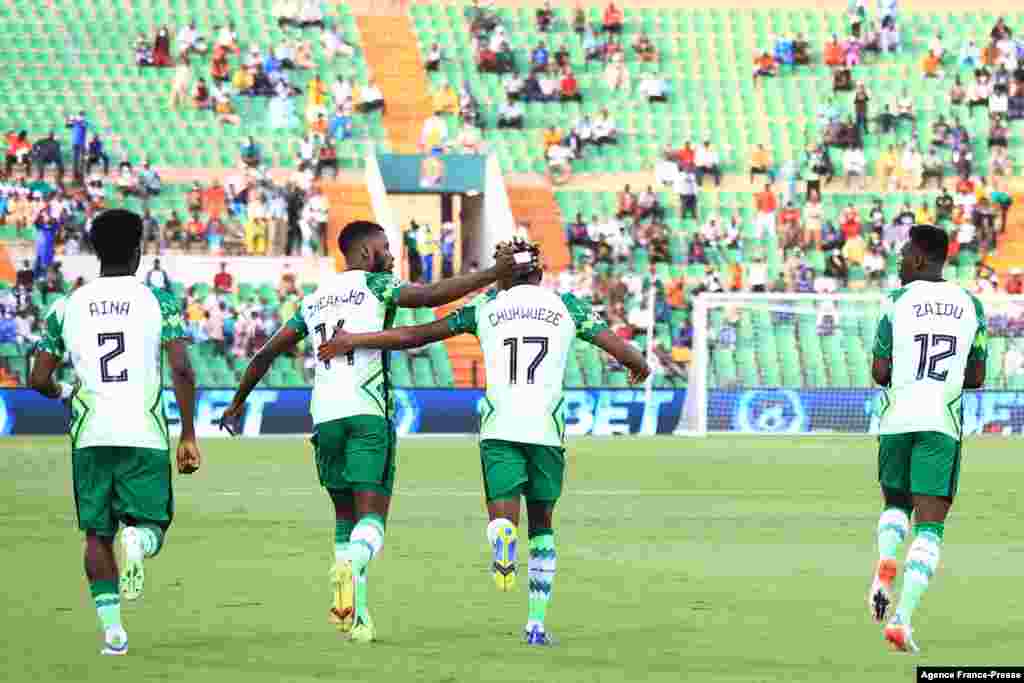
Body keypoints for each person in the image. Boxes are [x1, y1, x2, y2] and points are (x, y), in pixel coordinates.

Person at [317, 237, 650, 646]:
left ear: (507, 273)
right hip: (547, 428)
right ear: (539, 272)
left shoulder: (485, 307)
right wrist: (640, 366)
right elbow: (620, 348)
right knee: (542, 526)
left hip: (500, 427)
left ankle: (500, 535)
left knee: (503, 516)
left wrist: (356, 340)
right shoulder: (567, 306)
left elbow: (416, 335)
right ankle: (535, 625)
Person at [219, 221, 530, 643]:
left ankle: (358, 616)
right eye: (385, 247)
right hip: (367, 413)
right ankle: (352, 572)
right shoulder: (377, 285)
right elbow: (430, 296)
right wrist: (494, 273)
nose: (390, 254)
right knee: (372, 522)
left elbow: (265, 353)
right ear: (366, 254)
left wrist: (236, 404)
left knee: (344, 518)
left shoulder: (312, 301)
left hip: (324, 417)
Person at [28, 209, 200, 656]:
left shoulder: (65, 306)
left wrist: (67, 390)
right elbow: (181, 367)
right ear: (139, 250)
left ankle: (113, 633)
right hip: (142, 431)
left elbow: (38, 378)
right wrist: (188, 435)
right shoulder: (157, 301)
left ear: (94, 251)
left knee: (95, 535)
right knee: (154, 524)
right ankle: (138, 541)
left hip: (90, 435)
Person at [868, 224, 987, 654]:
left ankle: (884, 562)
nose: (898, 261)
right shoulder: (971, 304)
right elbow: (976, 377)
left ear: (920, 259)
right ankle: (902, 619)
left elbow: (879, 373)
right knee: (931, 527)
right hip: (941, 423)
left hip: (897, 420)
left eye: (902, 254)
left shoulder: (895, 301)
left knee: (895, 504)